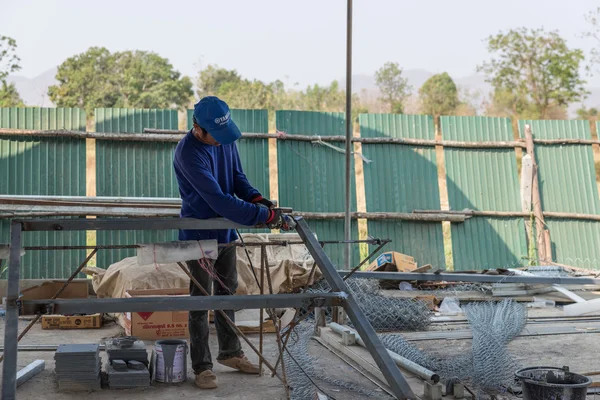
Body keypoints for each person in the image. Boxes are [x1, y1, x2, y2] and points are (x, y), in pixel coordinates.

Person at [173, 96, 287, 389]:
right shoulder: (188, 154)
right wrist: (263, 216)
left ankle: (231, 352)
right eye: (217, 136)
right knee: (201, 301)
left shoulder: (224, 139)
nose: (222, 142)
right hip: (198, 232)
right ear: (198, 129)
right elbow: (220, 200)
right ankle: (202, 366)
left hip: (225, 231)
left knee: (228, 291)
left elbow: (237, 177)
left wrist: (256, 198)